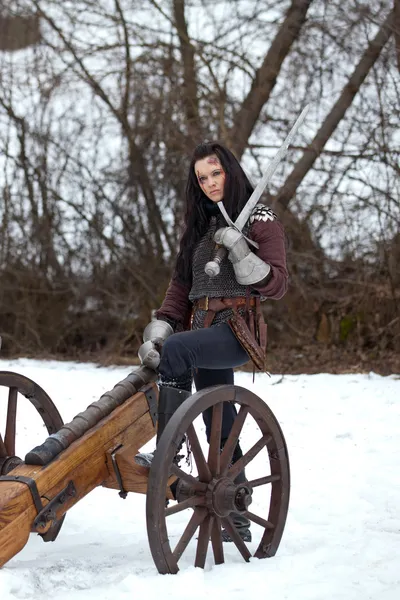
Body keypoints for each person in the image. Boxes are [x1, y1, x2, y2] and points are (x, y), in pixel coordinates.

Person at [135, 142, 288, 541]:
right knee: (220, 425)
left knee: (183, 350)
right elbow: (180, 287)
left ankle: (172, 449)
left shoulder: (260, 218)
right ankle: (236, 508)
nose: (209, 184)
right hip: (203, 326)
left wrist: (240, 249)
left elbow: (277, 284)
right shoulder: (199, 227)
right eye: (202, 178)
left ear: (230, 172)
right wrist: (161, 329)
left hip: (236, 329)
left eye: (215, 174)